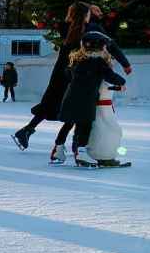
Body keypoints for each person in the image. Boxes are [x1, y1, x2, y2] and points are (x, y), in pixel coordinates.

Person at [13, 2, 91, 150]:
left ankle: (28, 130)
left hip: (60, 71)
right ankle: (69, 144)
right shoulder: (83, 32)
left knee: (51, 102)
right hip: (71, 73)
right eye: (88, 14)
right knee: (76, 107)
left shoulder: (67, 28)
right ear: (84, 15)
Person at [52, 31, 127, 166]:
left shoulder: (76, 60)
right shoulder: (98, 62)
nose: (105, 49)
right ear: (98, 47)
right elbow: (110, 76)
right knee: (84, 125)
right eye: (104, 47)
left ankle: (58, 149)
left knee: (68, 124)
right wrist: (122, 82)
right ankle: (81, 152)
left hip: (70, 97)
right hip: (86, 99)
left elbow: (68, 75)